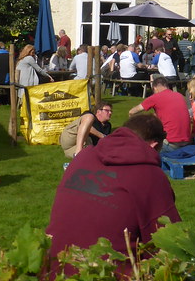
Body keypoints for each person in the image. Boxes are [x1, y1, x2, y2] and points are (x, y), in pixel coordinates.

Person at [46, 114, 180, 278]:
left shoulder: (83, 157)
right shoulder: (151, 176)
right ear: (154, 145)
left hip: (54, 270)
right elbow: (170, 242)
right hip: (105, 273)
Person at [129, 76, 191, 150]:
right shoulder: (179, 96)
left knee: (143, 145)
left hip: (170, 142)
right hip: (187, 140)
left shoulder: (155, 97)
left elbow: (132, 112)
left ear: (155, 88)